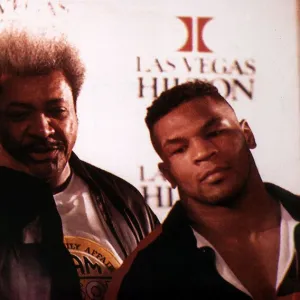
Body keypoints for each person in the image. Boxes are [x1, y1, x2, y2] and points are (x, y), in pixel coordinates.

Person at [0, 27, 159, 299]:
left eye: (56, 111)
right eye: (20, 115)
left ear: (76, 113)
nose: (42, 129)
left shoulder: (125, 201)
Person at [106, 80, 300, 300]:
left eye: (215, 133)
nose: (203, 153)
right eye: (179, 149)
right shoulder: (145, 274)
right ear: (167, 173)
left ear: (248, 135)